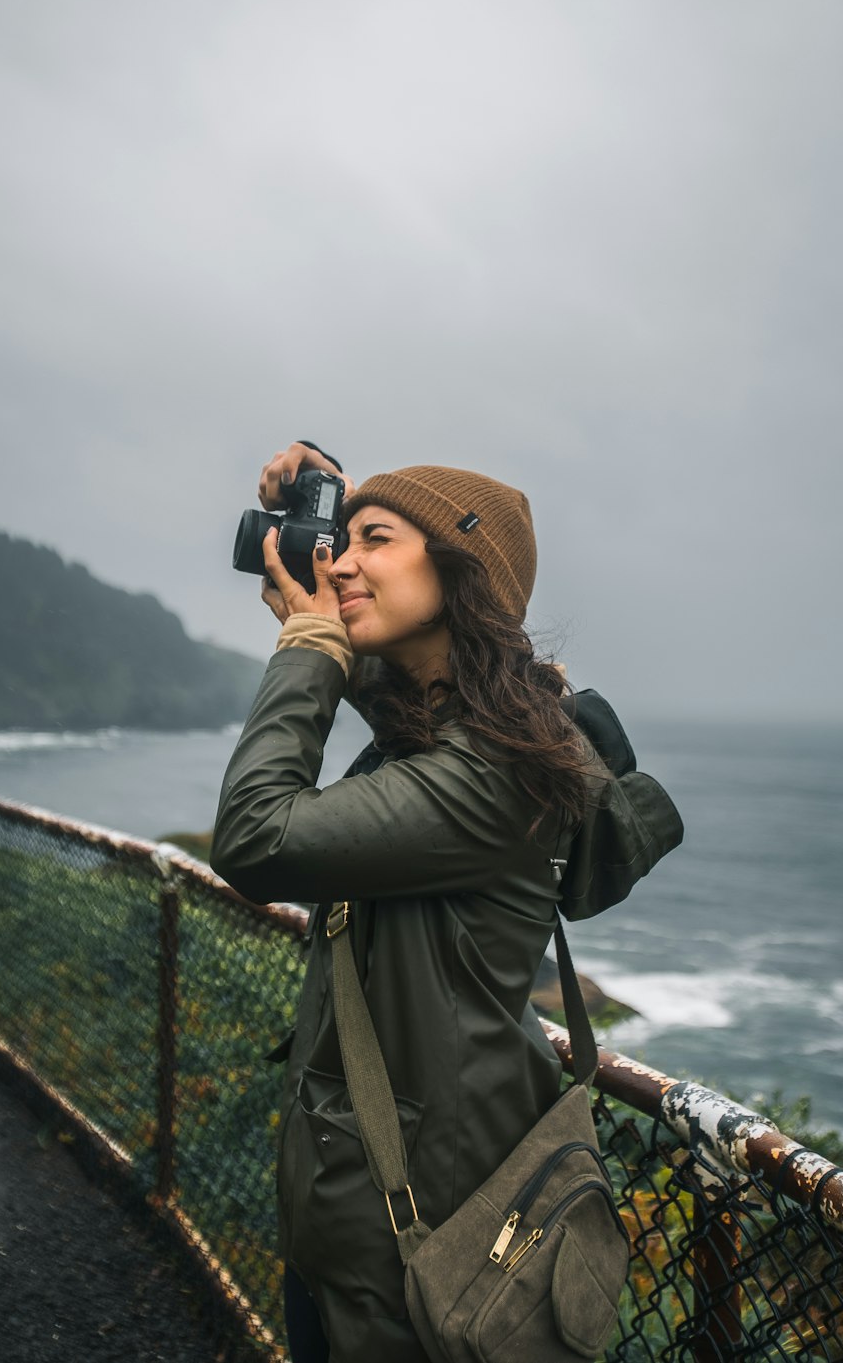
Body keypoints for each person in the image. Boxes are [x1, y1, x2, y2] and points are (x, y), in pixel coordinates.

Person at [210, 442, 683, 1363]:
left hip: (422, 1264)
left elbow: (255, 836)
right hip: (344, 1236)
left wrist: (310, 644)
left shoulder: (496, 775)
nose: (339, 563)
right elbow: (389, 691)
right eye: (339, 543)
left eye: (372, 539)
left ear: (463, 570)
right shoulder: (433, 737)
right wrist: (331, 493)